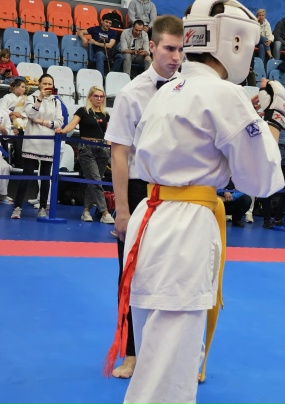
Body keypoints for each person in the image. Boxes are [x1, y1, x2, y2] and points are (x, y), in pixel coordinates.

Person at [104, 2, 285, 404]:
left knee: (154, 348)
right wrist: (274, 120)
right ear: (236, 42)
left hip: (150, 216)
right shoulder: (223, 93)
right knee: (171, 361)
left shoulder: (168, 89)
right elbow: (261, 181)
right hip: (185, 228)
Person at [104, 14, 185, 379]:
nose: (175, 57)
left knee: (176, 274)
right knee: (132, 275)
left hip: (180, 194)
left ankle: (175, 354)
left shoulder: (189, 90)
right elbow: (119, 154)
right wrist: (122, 211)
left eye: (180, 50)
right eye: (168, 49)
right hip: (140, 192)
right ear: (151, 47)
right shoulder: (131, 94)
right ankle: (132, 354)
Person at [57, 86, 114, 224]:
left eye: (101, 96)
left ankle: (86, 210)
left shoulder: (106, 114)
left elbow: (109, 134)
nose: (99, 99)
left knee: (93, 181)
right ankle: (104, 212)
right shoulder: (82, 111)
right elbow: (72, 125)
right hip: (86, 148)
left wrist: (110, 149)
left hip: (102, 149)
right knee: (96, 180)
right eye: (96, 96)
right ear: (90, 97)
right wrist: (62, 131)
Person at [10, 74, 63, 220]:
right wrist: (39, 98)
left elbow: (59, 122)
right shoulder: (31, 98)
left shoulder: (56, 101)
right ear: (39, 84)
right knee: (27, 175)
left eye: (50, 84)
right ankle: (17, 207)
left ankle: (42, 208)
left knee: (45, 177)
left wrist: (42, 122)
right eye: (44, 83)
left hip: (48, 143)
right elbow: (30, 113)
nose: (47, 86)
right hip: (32, 141)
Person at [261, 121, 285, 229]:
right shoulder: (268, 125)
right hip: (270, 162)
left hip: (283, 162)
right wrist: (284, 140)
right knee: (267, 190)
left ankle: (278, 218)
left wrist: (277, 140)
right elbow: (267, 141)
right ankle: (266, 219)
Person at [0, 79, 27, 168]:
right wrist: (12, 113)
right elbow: (2, 108)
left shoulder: (25, 99)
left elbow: (28, 111)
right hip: (6, 124)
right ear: (15, 87)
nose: (24, 89)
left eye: (25, 87)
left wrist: (20, 115)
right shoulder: (7, 97)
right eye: (22, 87)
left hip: (20, 125)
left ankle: (20, 163)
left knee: (20, 143)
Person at [0, 109, 13, 204]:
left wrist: (1, 127)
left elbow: (7, 135)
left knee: (5, 167)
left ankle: (2, 195)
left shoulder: (3, 113)